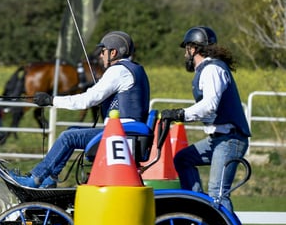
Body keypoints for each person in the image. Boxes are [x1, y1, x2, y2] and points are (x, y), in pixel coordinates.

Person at [20, 30, 151, 188]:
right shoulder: (136, 69)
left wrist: (51, 100)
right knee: (72, 129)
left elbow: (86, 100)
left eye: (103, 52)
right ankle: (50, 178)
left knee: (68, 137)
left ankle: (35, 178)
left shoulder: (118, 71)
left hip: (122, 134)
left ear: (113, 52)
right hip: (128, 133)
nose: (100, 56)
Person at [160, 26, 250, 212]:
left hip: (229, 140)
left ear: (193, 49)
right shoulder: (206, 69)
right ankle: (197, 208)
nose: (185, 55)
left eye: (186, 50)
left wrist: (180, 114)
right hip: (218, 139)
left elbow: (209, 106)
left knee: (218, 192)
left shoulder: (212, 70)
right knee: (183, 159)